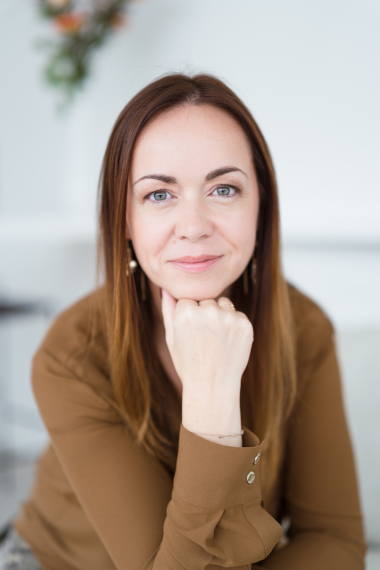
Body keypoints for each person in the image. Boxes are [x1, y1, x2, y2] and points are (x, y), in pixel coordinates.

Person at [0, 73, 366, 570]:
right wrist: (212, 397)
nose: (193, 227)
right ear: (125, 220)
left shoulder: (304, 329)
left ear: (261, 206)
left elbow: (334, 538)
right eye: (158, 195)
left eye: (224, 189)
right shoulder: (72, 354)